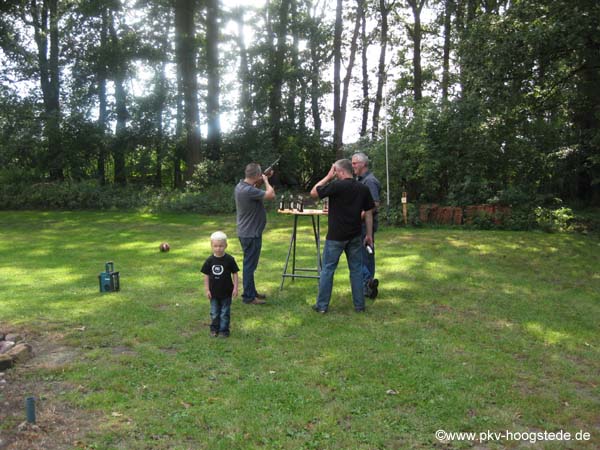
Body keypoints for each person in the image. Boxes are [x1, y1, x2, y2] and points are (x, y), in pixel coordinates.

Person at [310, 159, 375, 313]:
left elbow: (313, 192)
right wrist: (369, 234)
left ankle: (322, 306)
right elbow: (369, 213)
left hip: (335, 236)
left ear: (339, 171)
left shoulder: (335, 186)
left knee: (327, 269)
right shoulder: (362, 188)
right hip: (354, 235)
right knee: (356, 270)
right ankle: (359, 306)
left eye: (335, 171)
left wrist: (328, 177)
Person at [234, 162, 276, 305]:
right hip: (251, 234)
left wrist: (261, 179)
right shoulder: (248, 190)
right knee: (249, 266)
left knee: (250, 265)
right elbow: (271, 195)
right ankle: (248, 297)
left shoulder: (242, 186)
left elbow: (255, 190)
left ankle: (251, 292)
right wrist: (266, 180)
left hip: (247, 232)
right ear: (257, 175)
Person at [352, 152, 382, 299]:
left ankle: (367, 282)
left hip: (366, 225)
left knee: (363, 255)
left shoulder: (370, 181)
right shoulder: (361, 180)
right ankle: (368, 286)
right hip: (362, 224)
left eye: (354, 163)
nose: (352, 166)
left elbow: (374, 204)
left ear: (363, 164)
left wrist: (359, 216)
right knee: (365, 255)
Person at [201, 231, 239, 338]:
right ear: (211, 246)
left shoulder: (229, 259)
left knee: (224, 313)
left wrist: (235, 288)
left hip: (227, 292)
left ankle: (224, 331)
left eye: (221, 246)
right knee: (214, 312)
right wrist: (207, 289)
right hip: (213, 293)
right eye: (216, 246)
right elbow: (206, 275)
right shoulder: (210, 260)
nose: (218, 248)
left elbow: (235, 273)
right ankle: (214, 329)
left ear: (226, 245)